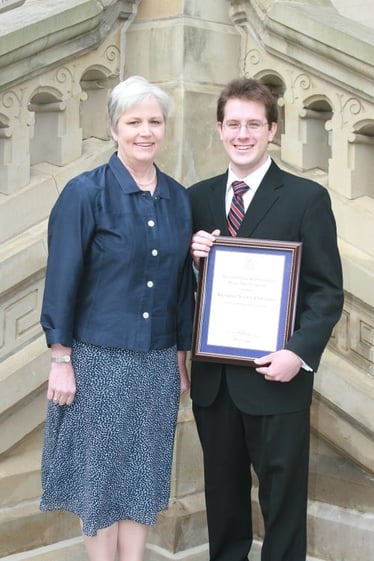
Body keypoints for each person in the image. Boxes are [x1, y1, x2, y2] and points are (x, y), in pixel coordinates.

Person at [39, 75, 195, 561]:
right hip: (98, 362)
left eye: (155, 121)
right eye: (134, 122)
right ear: (114, 128)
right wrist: (61, 358)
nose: (145, 131)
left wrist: (180, 356)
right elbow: (62, 279)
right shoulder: (85, 193)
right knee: (101, 483)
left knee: (143, 477)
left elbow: (180, 288)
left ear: (165, 128)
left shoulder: (178, 197)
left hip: (156, 363)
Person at [188, 78, 344, 561]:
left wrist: (298, 353)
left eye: (253, 124)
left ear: (272, 130)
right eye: (233, 123)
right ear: (218, 129)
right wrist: (193, 263)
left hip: (276, 377)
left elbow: (326, 291)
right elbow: (179, 292)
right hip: (214, 383)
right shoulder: (197, 197)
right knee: (224, 504)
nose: (242, 133)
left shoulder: (305, 197)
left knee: (282, 506)